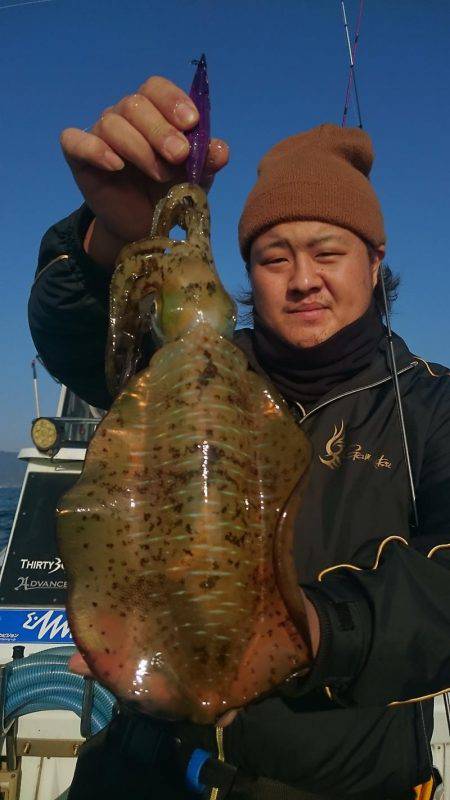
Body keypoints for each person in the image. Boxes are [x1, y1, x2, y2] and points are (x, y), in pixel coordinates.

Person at [28, 75, 450, 800]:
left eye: (328, 252)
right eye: (273, 257)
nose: (302, 280)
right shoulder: (189, 372)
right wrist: (111, 239)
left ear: (376, 263)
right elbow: (81, 340)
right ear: (246, 274)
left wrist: (311, 631)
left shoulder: (432, 406)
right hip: (147, 769)